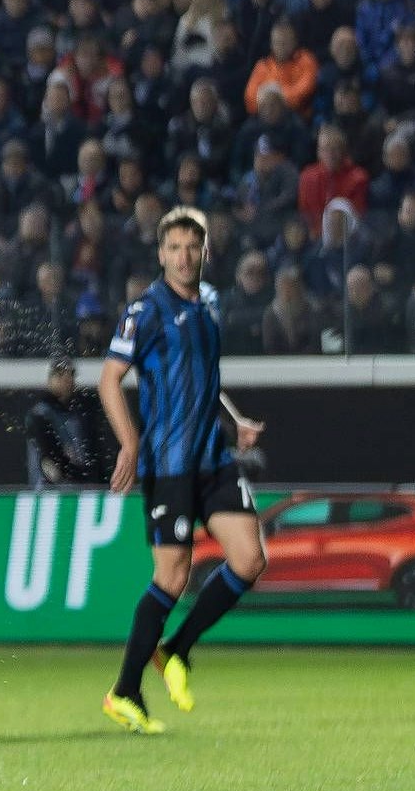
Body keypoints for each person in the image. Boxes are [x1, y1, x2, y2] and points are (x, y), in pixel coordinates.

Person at [97, 207, 269, 734]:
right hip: (168, 466)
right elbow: (109, 380)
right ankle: (124, 691)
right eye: (173, 247)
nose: (184, 256)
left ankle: (176, 650)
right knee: (171, 577)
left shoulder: (211, 304)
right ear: (161, 254)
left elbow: (204, 376)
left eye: (192, 247)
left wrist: (234, 420)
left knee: (250, 559)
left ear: (205, 251)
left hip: (213, 460)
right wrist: (129, 445)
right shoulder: (144, 311)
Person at [23, 359, 106, 487]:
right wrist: (82, 475)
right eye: (60, 376)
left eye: (70, 376)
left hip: (76, 489)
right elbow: (51, 459)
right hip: (50, 492)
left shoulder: (75, 414)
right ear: (51, 380)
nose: (67, 382)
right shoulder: (40, 415)